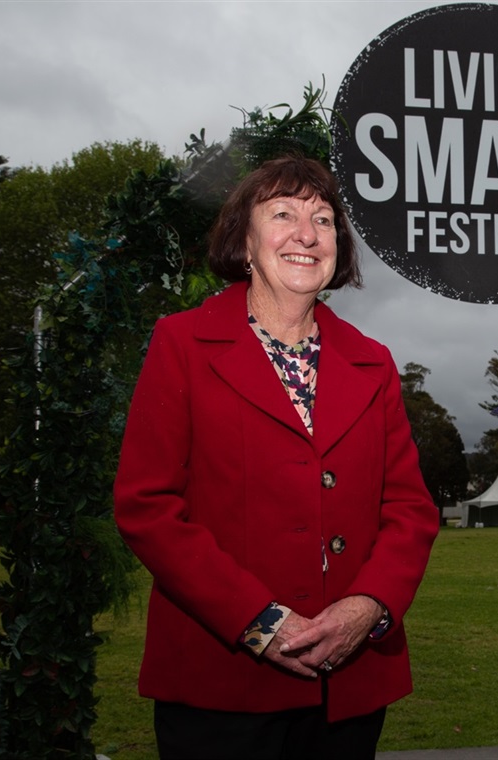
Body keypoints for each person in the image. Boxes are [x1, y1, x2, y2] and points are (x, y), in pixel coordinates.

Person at [114, 155, 439, 760]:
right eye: (283, 214)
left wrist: (367, 608)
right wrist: (259, 624)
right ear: (243, 241)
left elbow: (411, 509)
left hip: (351, 684)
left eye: (324, 219)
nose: (307, 234)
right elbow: (147, 506)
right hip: (221, 682)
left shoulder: (374, 361)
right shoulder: (180, 344)